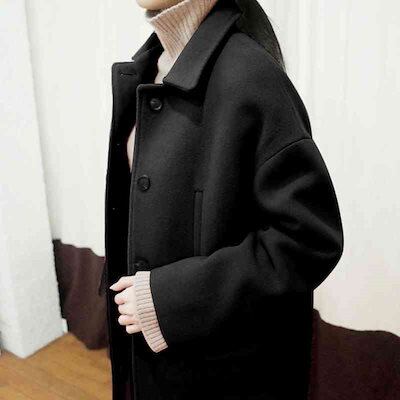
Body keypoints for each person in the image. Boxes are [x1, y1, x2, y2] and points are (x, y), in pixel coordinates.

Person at [103, 0, 344, 398]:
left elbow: (309, 241)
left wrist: (170, 298)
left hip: (222, 371)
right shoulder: (151, 66)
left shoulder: (250, 76)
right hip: (154, 359)